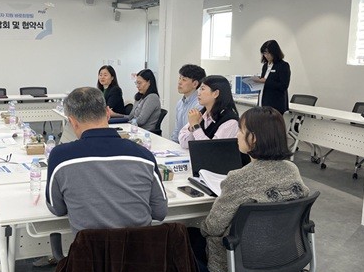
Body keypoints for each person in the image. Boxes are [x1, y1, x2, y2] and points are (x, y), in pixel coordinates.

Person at [189, 106, 310, 272]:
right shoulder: (292, 170)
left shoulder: (239, 178)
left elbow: (212, 227)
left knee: (185, 235)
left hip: (237, 269)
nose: (237, 135)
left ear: (253, 138)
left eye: (240, 130)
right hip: (283, 260)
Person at [46, 86, 168, 234]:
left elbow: (57, 209)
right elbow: (160, 212)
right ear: (107, 114)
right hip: (140, 247)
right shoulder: (143, 155)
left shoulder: (60, 157)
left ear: (72, 122)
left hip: (89, 248)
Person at [178, 75, 239, 149]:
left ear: (215, 93)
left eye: (202, 89)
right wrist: (192, 128)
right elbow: (184, 144)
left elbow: (211, 149)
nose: (198, 93)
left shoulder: (230, 122)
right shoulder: (201, 114)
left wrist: (195, 126)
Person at [252, 39, 291, 113]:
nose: (266, 56)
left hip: (275, 105)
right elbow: (263, 82)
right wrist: (258, 81)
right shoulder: (265, 66)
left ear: (274, 52)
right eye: (264, 53)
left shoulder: (283, 65)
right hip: (263, 102)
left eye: (268, 53)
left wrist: (265, 81)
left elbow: (283, 86)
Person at [171, 64, 206, 143]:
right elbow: (177, 130)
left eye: (184, 80)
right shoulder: (180, 103)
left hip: (190, 146)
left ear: (195, 84)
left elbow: (194, 135)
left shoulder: (200, 105)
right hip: (179, 145)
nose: (179, 82)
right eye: (179, 78)